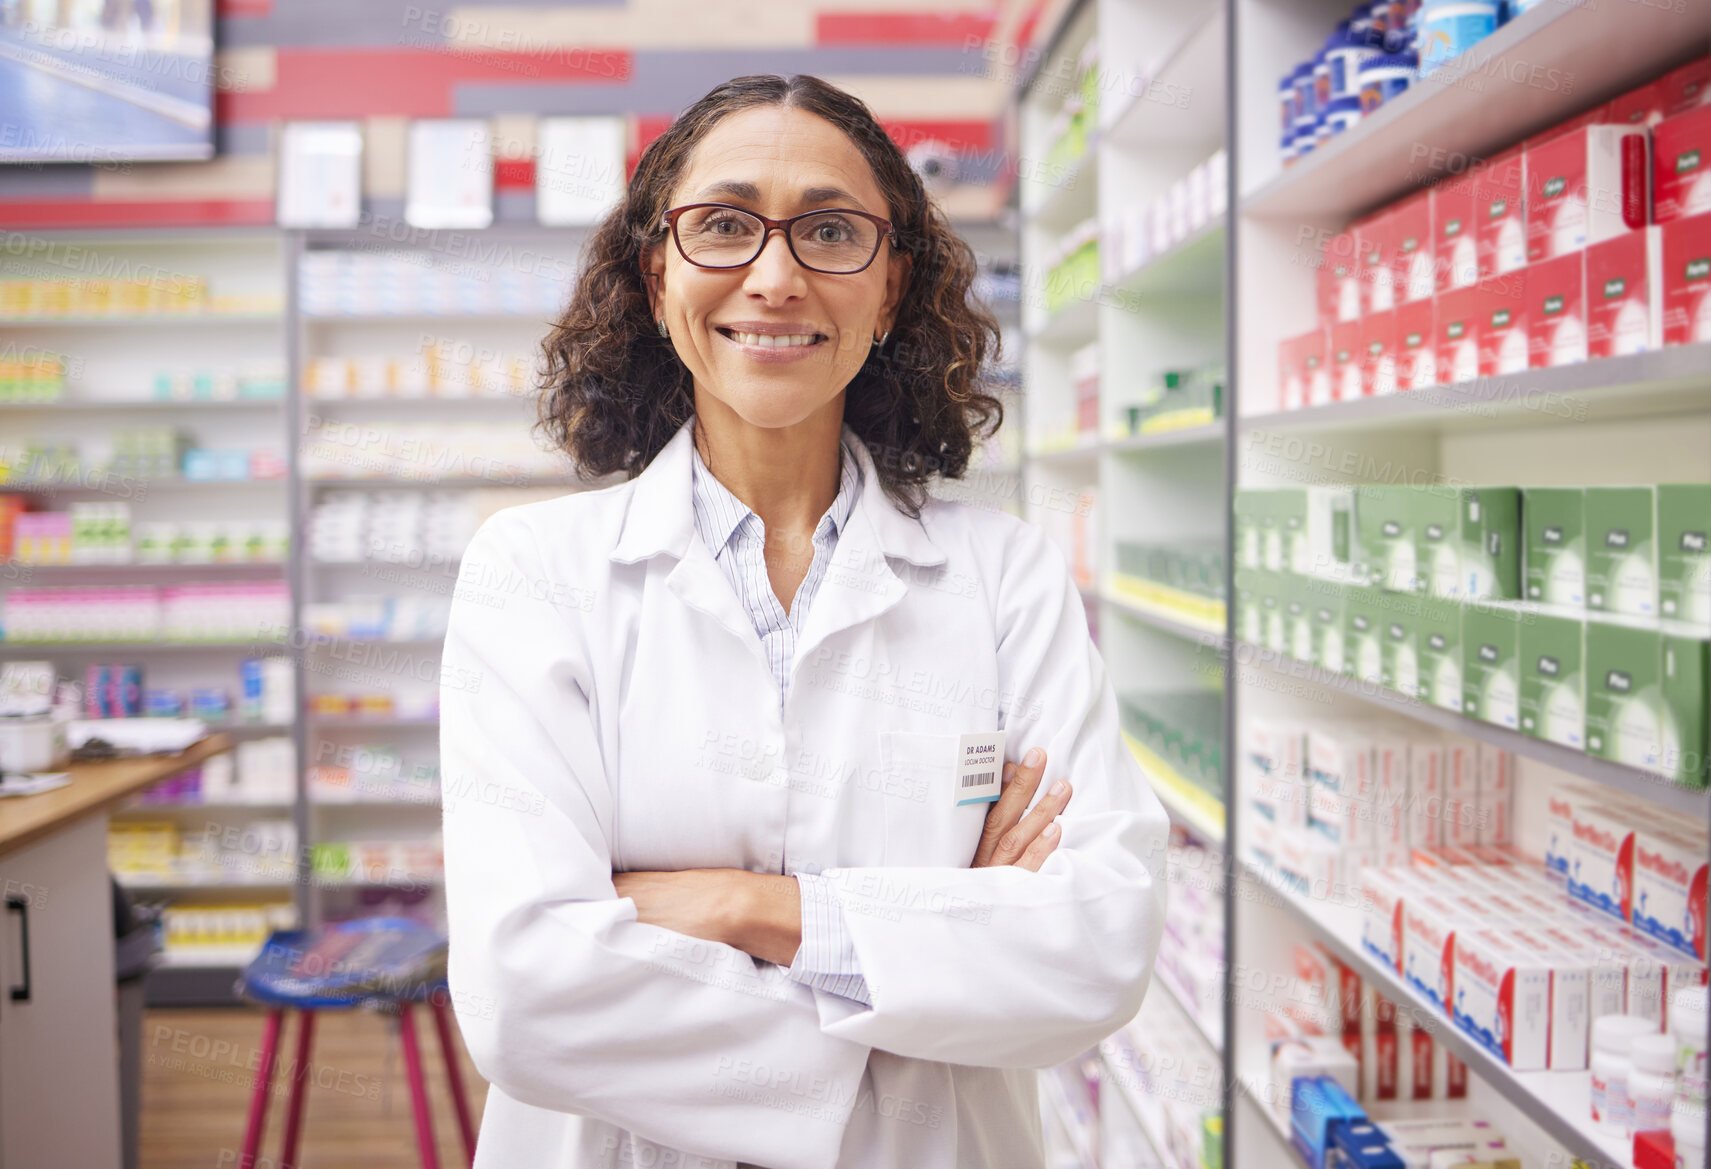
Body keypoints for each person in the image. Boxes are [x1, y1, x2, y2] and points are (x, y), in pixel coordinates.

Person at [440, 73, 1169, 1169]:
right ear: (655, 274)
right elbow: (524, 991)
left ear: (888, 290)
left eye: (830, 231)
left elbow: (1096, 946)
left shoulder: (1003, 573)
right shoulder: (531, 571)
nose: (774, 277)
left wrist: (745, 907)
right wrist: (933, 954)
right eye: (724, 226)